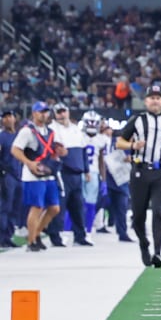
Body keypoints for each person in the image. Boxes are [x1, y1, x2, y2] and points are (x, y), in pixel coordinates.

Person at [116, 83, 161, 267]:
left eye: (158, 97)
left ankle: (158, 251)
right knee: (138, 215)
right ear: (146, 101)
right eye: (152, 97)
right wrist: (132, 146)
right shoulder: (137, 120)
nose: (155, 100)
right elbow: (119, 142)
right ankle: (144, 244)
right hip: (140, 170)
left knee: (158, 211)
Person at [10, 101, 66, 252]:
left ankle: (36, 233)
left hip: (48, 173)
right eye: (41, 112)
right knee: (37, 207)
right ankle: (31, 241)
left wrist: (59, 152)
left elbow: (50, 151)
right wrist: (28, 163)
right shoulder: (27, 131)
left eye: (46, 112)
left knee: (54, 208)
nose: (44, 114)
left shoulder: (50, 131)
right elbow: (15, 149)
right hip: (33, 175)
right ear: (34, 113)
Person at [47, 103, 93, 246]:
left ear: (68, 112)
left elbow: (83, 151)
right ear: (55, 114)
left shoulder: (75, 129)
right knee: (60, 206)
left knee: (78, 207)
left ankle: (80, 236)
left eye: (63, 111)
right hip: (62, 172)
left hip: (76, 173)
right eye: (58, 112)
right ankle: (55, 237)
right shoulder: (52, 130)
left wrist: (86, 170)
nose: (61, 115)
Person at [102, 118, 134, 242]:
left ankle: (122, 232)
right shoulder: (110, 142)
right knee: (100, 204)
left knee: (122, 207)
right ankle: (88, 227)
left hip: (121, 179)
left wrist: (132, 158)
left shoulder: (130, 145)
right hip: (107, 178)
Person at [0, 109, 21, 248]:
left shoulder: (19, 135)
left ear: (15, 118)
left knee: (15, 207)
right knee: (5, 207)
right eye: (5, 117)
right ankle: (2, 237)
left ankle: (9, 235)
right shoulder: (2, 136)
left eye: (10, 116)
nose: (8, 119)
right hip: (6, 174)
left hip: (19, 174)